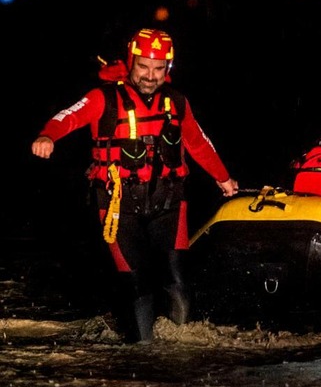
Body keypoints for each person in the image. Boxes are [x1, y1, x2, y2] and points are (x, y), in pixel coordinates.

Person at [30, 28, 238, 343]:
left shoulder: (177, 101)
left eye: (158, 69)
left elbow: (197, 142)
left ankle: (183, 349)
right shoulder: (103, 98)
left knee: (176, 277)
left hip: (168, 199)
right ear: (131, 62)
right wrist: (48, 136)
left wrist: (222, 177)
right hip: (117, 203)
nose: (150, 76)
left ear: (168, 68)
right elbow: (67, 117)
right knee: (136, 279)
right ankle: (145, 352)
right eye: (143, 67)